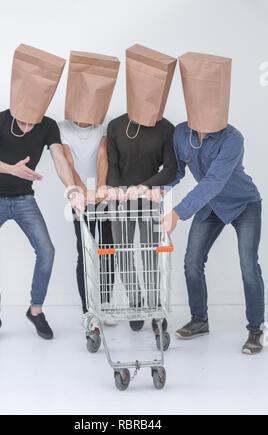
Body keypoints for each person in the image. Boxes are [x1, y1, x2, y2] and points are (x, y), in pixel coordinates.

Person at [0, 44, 84, 344]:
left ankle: (35, 310)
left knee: (47, 251)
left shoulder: (48, 125)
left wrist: (73, 189)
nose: (27, 125)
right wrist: (12, 169)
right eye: (23, 120)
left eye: (31, 121)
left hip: (24, 200)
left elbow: (61, 159)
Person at [162, 52, 265, 355]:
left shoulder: (233, 139)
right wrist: (155, 190)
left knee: (248, 266)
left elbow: (213, 183)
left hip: (244, 204)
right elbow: (178, 171)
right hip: (210, 208)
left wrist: (178, 213)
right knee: (192, 263)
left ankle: (256, 329)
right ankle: (199, 319)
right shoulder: (181, 133)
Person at [107, 45, 178, 331]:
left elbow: (170, 168)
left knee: (150, 253)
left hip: (149, 198)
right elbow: (112, 164)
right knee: (123, 252)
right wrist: (117, 190)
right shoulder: (115, 126)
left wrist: (142, 187)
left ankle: (155, 308)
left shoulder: (166, 128)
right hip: (120, 200)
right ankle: (136, 303)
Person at [60, 50, 120, 328]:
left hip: (104, 194)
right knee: (84, 251)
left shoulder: (104, 123)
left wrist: (103, 188)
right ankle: (88, 310)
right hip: (79, 197)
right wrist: (83, 192)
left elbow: (103, 157)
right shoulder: (61, 127)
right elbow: (68, 163)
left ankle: (105, 304)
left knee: (107, 247)